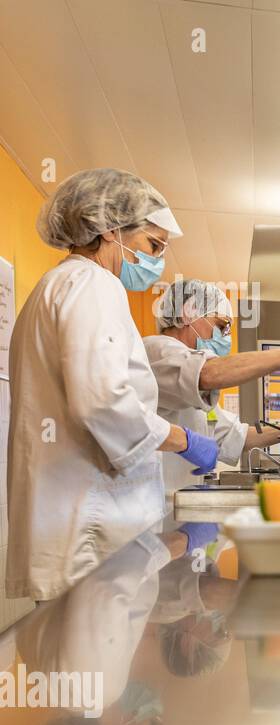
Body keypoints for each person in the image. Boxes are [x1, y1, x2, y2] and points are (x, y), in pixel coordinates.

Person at [7, 169, 221, 601]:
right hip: (87, 527)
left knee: (68, 661)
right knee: (85, 664)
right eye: (153, 246)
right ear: (109, 229)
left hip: (74, 519)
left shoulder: (61, 285)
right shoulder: (92, 284)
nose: (156, 261)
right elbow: (103, 401)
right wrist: (183, 440)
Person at [145, 278, 280, 496]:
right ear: (189, 311)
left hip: (174, 501)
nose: (224, 337)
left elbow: (239, 436)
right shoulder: (156, 350)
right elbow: (208, 373)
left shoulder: (194, 389)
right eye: (220, 326)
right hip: (151, 503)